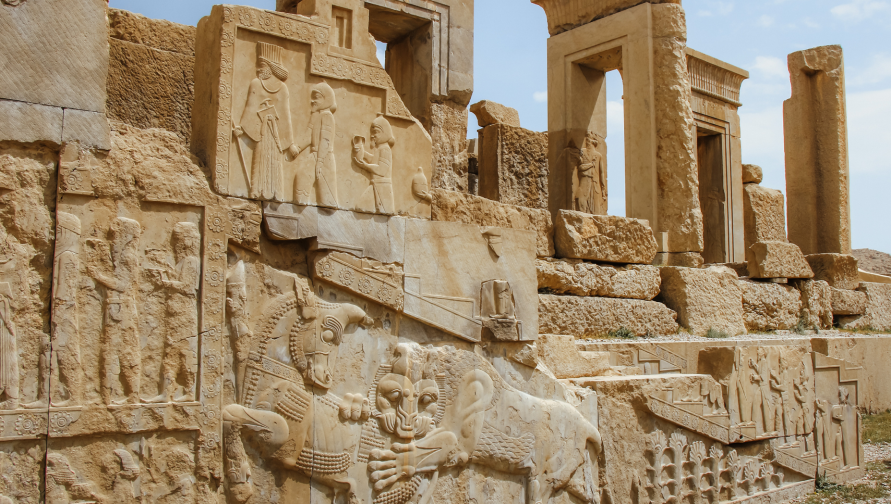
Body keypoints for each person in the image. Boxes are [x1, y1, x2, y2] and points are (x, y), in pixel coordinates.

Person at [87, 217, 142, 405]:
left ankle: (131, 394)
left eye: (116, 235)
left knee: (124, 350)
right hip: (113, 306)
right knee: (110, 349)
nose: (113, 239)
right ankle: (108, 395)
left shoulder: (128, 256)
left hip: (123, 308)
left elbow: (123, 284)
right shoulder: (118, 255)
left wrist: (99, 276)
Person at [234, 42, 297, 201]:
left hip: (275, 135)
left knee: (275, 163)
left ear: (271, 67)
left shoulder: (283, 88)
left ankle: (276, 194)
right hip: (261, 132)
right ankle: (257, 191)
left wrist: (289, 144)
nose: (258, 69)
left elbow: (286, 117)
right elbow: (249, 108)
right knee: (260, 159)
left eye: (262, 65)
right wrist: (241, 129)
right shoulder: (255, 84)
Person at [147, 223, 200, 403]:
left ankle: (190, 391)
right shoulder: (182, 261)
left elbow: (187, 286)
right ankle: (167, 392)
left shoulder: (192, 261)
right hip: (175, 313)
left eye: (179, 240)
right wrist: (165, 269)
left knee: (186, 352)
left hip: (184, 313)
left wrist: (165, 283)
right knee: (171, 352)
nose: (176, 244)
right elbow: (179, 279)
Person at [295, 81, 338, 208]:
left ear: (326, 99)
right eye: (312, 97)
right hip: (315, 155)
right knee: (301, 177)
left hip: (324, 157)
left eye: (317, 98)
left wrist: (320, 161)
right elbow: (309, 135)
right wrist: (298, 148)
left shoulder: (327, 116)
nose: (312, 101)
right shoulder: (316, 116)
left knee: (327, 198)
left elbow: (325, 140)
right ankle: (301, 209)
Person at [353, 115, 396, 214]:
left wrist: (365, 166)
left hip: (382, 187)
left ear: (385, 133)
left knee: (363, 207)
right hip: (375, 185)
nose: (372, 135)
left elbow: (381, 170)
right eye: (372, 132)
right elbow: (374, 160)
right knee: (361, 207)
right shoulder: (379, 148)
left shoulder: (385, 149)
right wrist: (362, 153)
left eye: (376, 132)